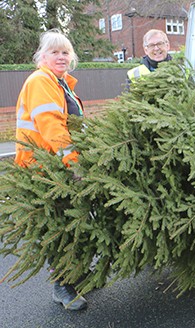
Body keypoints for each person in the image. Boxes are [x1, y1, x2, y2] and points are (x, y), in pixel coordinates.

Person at [15, 29, 87, 311]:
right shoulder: (41, 81)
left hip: (56, 166)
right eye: (55, 52)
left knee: (72, 224)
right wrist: (74, 163)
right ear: (42, 56)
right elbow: (52, 127)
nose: (61, 57)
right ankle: (61, 286)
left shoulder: (62, 84)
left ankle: (75, 276)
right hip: (43, 170)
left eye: (65, 52)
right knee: (58, 229)